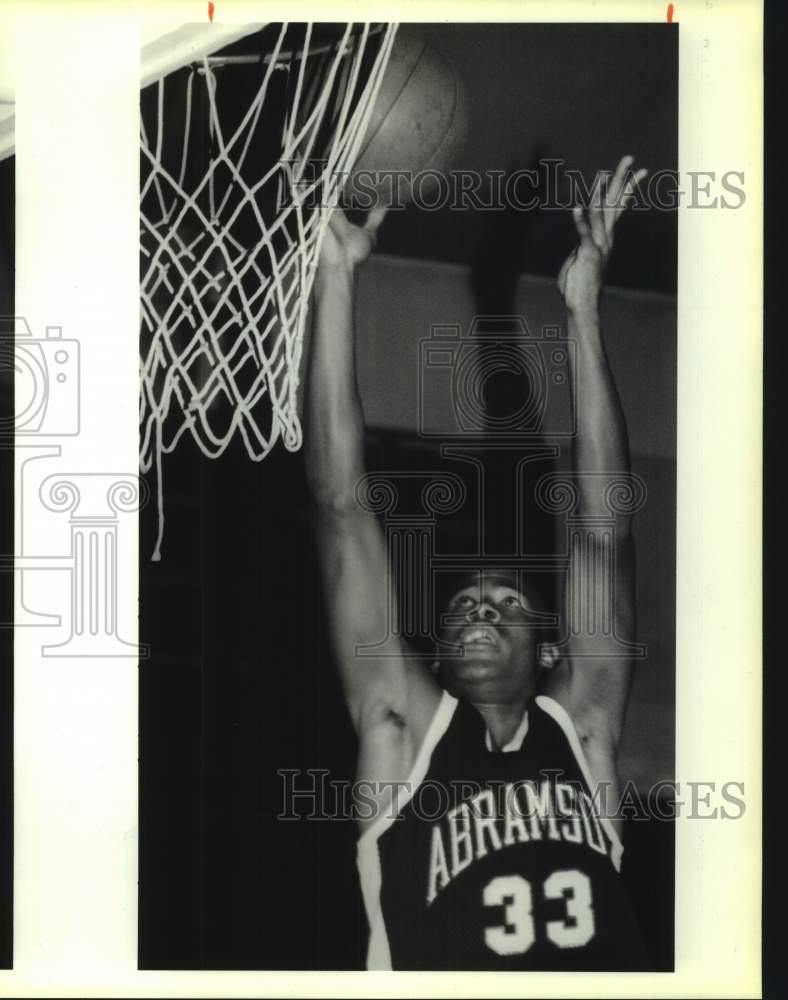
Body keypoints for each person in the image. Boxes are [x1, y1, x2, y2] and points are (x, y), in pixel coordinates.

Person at [305, 155, 651, 970]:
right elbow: (342, 508)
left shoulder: (584, 730)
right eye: (463, 603)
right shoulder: (404, 733)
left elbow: (604, 529)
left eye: (504, 600)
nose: (480, 605)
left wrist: (583, 312)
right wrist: (336, 282)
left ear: (556, 648)